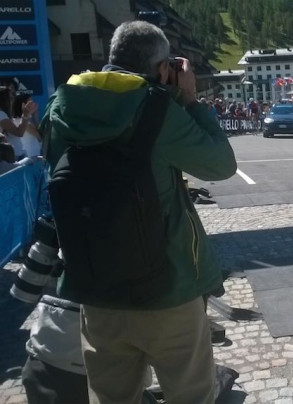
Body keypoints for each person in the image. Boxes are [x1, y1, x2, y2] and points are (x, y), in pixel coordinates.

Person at [42, 20, 237, 403]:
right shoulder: (157, 109)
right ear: (163, 68)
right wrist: (191, 100)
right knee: (191, 395)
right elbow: (220, 164)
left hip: (96, 291)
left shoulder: (61, 106)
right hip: (168, 290)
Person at [0, 86, 37, 159]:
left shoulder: (4, 115)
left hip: (17, 155)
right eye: (10, 98)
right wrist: (26, 115)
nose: (13, 100)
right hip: (14, 157)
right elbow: (19, 132)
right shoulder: (1, 114)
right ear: (4, 100)